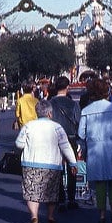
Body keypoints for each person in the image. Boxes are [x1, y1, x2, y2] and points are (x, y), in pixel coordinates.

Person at [16, 99, 78, 223]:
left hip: (31, 163)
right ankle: (50, 216)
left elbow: (19, 144)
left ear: (37, 113)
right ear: (50, 113)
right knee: (51, 192)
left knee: (32, 192)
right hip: (52, 165)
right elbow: (66, 146)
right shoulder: (57, 127)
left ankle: (34, 216)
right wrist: (73, 162)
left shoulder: (28, 126)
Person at [78, 78, 112, 223]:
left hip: (95, 151)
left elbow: (81, 134)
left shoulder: (86, 111)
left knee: (100, 183)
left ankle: (101, 214)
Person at [49, 76, 81, 210]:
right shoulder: (73, 104)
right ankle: (72, 198)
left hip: (55, 137)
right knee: (72, 167)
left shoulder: (50, 103)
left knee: (58, 168)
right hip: (71, 137)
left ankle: (60, 197)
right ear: (67, 88)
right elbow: (78, 120)